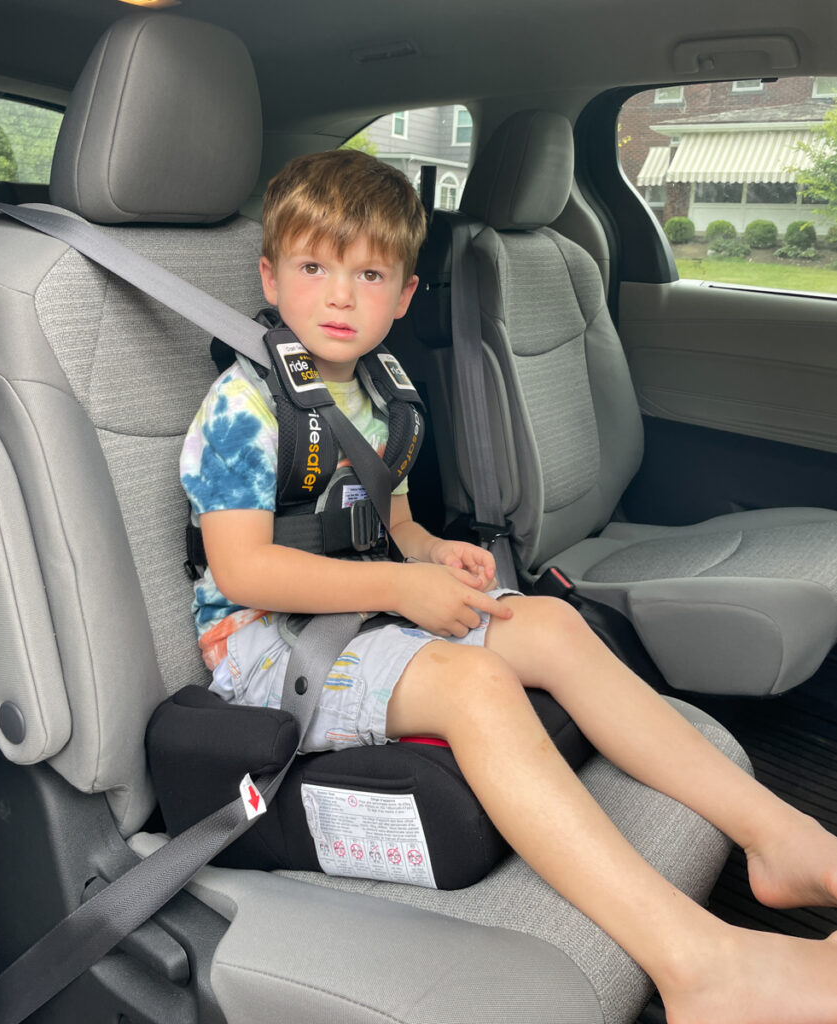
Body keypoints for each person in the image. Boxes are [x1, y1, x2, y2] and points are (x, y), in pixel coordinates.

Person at [181, 148, 837, 1024]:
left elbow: (394, 522)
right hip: (265, 657)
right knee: (478, 684)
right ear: (270, 276)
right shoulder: (245, 405)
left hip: (359, 612)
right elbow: (242, 569)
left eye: (368, 273)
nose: (339, 296)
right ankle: (698, 964)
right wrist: (406, 597)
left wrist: (429, 555)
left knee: (553, 626)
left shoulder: (386, 392)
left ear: (406, 295)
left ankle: (783, 840)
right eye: (312, 267)